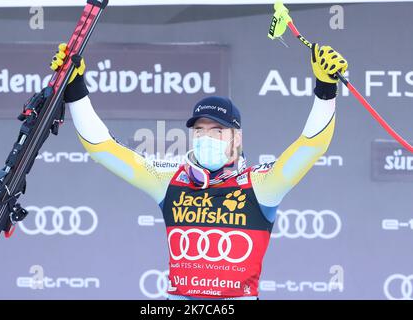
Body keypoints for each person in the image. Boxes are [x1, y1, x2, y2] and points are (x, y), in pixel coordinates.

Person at [50, 42, 348, 300]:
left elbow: (311, 146)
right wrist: (76, 90)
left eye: (218, 130)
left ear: (237, 137)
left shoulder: (261, 184)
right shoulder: (169, 180)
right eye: (200, 130)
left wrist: (325, 89)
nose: (207, 137)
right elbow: (103, 148)